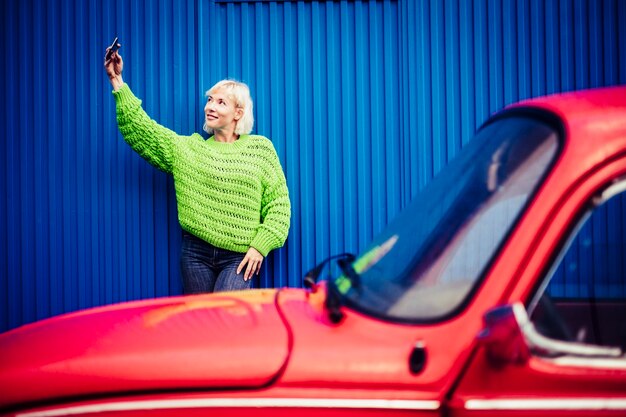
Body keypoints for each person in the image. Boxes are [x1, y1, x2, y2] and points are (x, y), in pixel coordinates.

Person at [104, 43, 291, 294]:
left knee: (225, 321)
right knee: (200, 324)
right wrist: (117, 80)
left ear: (238, 113)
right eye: (210, 100)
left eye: (220, 102)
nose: (210, 106)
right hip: (195, 255)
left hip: (239, 255)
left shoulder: (260, 149)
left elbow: (279, 205)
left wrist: (260, 246)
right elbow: (142, 130)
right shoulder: (189, 150)